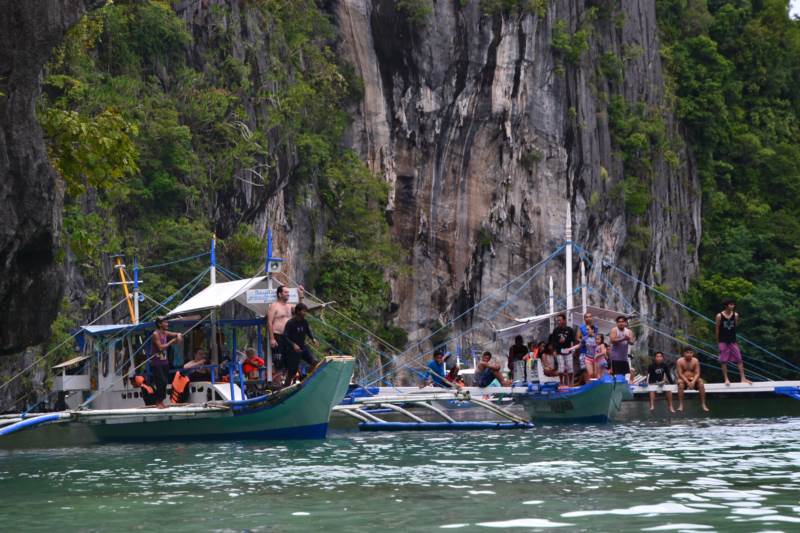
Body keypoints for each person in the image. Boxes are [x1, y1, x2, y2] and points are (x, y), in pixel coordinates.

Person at [267, 284, 304, 379]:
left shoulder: (290, 306)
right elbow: (269, 322)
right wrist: (272, 338)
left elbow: (300, 311)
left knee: (291, 359)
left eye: (288, 292)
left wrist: (300, 296)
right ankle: (278, 380)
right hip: (278, 336)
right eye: (286, 292)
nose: (288, 294)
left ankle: (288, 381)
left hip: (289, 337)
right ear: (280, 294)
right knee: (278, 360)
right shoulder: (274, 306)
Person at [282, 303, 318, 387]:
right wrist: (293, 344)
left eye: (306, 311)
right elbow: (285, 336)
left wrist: (313, 339)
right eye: (303, 311)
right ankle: (285, 388)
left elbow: (308, 331)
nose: (305, 313)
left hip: (303, 347)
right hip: (293, 350)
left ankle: (305, 379)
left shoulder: (304, 322)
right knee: (292, 372)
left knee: (314, 362)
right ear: (298, 311)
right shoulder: (290, 323)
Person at [716, 299, 751, 385]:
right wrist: (718, 342)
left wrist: (734, 339)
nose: (732, 306)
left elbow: (735, 326)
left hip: (732, 340)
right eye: (731, 305)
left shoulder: (735, 315)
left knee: (739, 358)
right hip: (722, 340)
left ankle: (743, 378)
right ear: (726, 306)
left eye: (733, 305)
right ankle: (726, 379)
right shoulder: (719, 316)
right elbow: (717, 329)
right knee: (724, 360)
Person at [150, 317, 182, 408]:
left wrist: (179, 335)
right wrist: (171, 341)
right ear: (160, 324)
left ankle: (161, 402)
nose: (167, 324)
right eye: (165, 322)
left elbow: (177, 334)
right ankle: (158, 401)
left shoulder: (165, 333)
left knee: (164, 383)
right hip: (156, 363)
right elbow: (160, 348)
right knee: (161, 382)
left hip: (165, 362)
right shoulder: (155, 334)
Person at [549, 313, 579, 386]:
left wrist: (574, 350)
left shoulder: (570, 330)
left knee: (570, 369)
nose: (558, 322)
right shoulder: (555, 330)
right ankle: (561, 383)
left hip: (568, 351)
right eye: (557, 320)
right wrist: (554, 351)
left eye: (560, 320)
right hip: (559, 352)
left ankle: (570, 383)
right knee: (561, 369)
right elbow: (552, 341)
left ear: (564, 320)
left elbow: (573, 341)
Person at [676, 348, 709, 412]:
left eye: (691, 352)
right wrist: (687, 382)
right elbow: (680, 374)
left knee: (701, 383)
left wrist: (693, 381)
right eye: (687, 352)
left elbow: (697, 373)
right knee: (680, 384)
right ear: (684, 353)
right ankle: (681, 405)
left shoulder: (695, 361)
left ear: (693, 353)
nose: (689, 354)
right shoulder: (679, 361)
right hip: (683, 379)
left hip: (693, 378)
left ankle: (703, 404)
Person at [576, 312, 599, 379]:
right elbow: (577, 337)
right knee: (584, 369)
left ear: (592, 318)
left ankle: (593, 384)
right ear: (584, 318)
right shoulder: (581, 327)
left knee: (594, 370)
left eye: (590, 317)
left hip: (593, 351)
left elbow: (597, 337)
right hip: (584, 350)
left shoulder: (595, 327)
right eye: (586, 317)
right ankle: (586, 383)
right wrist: (584, 342)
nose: (588, 318)